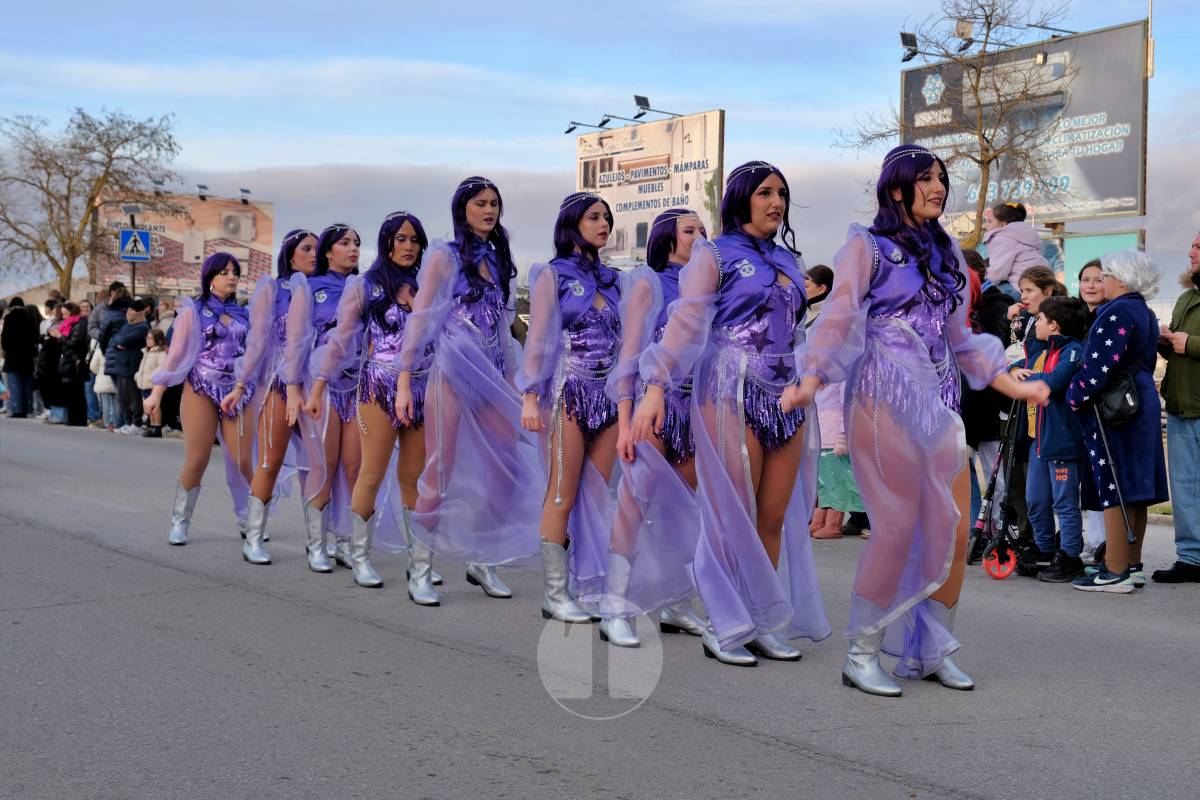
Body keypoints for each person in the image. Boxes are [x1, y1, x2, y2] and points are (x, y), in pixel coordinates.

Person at [788, 144, 1049, 696]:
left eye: (941, 179)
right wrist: (810, 381)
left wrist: (1011, 382)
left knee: (953, 527)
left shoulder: (947, 251)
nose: (937, 187)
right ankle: (861, 653)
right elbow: (835, 321)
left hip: (936, 400)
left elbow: (961, 339)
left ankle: (930, 649)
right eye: (926, 179)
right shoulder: (868, 246)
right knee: (898, 527)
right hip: (880, 397)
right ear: (898, 186)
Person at [633, 160, 831, 667]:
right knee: (731, 513)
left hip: (783, 393)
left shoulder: (790, 260)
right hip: (729, 388)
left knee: (772, 515)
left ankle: (761, 619)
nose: (776, 202)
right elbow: (685, 323)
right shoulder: (713, 253)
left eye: (782, 193)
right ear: (742, 198)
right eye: (765, 192)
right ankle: (724, 623)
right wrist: (656, 387)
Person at [394, 177, 543, 606]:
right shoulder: (444, 256)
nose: (489, 210)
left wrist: (513, 381)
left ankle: (484, 559)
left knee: (505, 470)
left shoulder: (499, 257)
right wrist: (405, 381)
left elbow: (503, 324)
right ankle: (420, 568)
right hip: (453, 374)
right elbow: (420, 320)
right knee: (439, 469)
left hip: (494, 376)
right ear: (464, 208)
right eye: (481, 203)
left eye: (495, 203)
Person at [315, 212, 457, 601]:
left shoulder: (432, 286)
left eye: (415, 239)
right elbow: (341, 340)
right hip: (377, 386)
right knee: (371, 473)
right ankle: (360, 557)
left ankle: (420, 565)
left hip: (423, 388)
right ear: (387, 242)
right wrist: (317, 386)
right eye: (401, 238)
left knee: (416, 477)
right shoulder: (365, 286)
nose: (409, 246)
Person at [603, 208, 709, 643]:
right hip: (654, 410)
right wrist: (626, 424)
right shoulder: (649, 282)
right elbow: (628, 357)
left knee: (684, 511)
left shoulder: (710, 287)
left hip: (696, 413)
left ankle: (676, 604)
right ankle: (615, 607)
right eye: (690, 231)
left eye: (704, 230)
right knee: (635, 506)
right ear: (668, 238)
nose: (700, 237)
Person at [520, 192, 626, 632]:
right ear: (572, 224)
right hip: (569, 393)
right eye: (594, 217)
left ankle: (590, 586)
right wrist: (530, 395)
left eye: (606, 217)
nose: (603, 224)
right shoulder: (552, 275)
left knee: (598, 495)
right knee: (562, 491)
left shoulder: (618, 280)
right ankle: (555, 593)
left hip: (610, 398)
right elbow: (540, 337)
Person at [1067, 250, 1169, 593]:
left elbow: (1097, 368)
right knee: (1135, 488)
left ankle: (1114, 569)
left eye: (1106, 275)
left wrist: (1075, 394)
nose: (1101, 281)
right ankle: (1132, 563)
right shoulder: (1143, 310)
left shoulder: (1116, 313)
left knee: (1114, 484)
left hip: (1117, 405)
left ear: (1121, 279)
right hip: (1140, 398)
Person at [143, 253, 257, 547]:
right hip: (200, 388)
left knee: (244, 459)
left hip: (236, 392)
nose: (231, 276)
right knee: (198, 458)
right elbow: (177, 352)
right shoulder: (194, 310)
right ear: (210, 277)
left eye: (235, 272)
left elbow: (257, 354)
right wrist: (158, 391)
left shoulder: (246, 314)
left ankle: (250, 521)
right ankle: (180, 521)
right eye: (224, 272)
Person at [233, 228, 321, 568]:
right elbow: (257, 342)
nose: (314, 254)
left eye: (318, 249)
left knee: (318, 466)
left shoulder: (331, 289)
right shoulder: (274, 289)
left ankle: (318, 544)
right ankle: (254, 537)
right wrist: (241, 385)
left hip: (319, 390)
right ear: (290, 253)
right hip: (281, 385)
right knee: (270, 459)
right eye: (306, 248)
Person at [299, 224, 377, 586]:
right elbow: (297, 341)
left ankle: (348, 542)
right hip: (323, 387)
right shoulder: (310, 288)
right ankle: (317, 544)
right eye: (345, 243)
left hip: (358, 386)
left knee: (355, 466)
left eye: (357, 243)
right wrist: (298, 389)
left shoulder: (366, 289)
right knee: (324, 465)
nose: (353, 249)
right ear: (327, 251)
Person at [1012, 296, 1089, 582]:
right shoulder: (1044, 350)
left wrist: (1022, 381)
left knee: (1064, 503)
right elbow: (1023, 365)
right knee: (1035, 499)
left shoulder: (1072, 351)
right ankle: (1044, 550)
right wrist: (1013, 371)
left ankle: (1070, 555)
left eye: (1041, 320)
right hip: (1039, 441)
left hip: (1063, 442)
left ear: (1053, 324)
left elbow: (1054, 382)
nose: (1036, 326)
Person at [1152, 233, 1200, 583]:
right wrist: (1167, 342)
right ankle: (1190, 558)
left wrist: (1191, 343)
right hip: (1182, 406)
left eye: (1198, 246)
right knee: (1183, 486)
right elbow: (1178, 351)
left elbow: (1191, 346)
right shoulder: (1186, 297)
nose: (1190, 252)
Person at [1076, 259, 1107, 559]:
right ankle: (1093, 538)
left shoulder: (1110, 316)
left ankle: (1104, 543)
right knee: (1088, 476)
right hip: (1079, 408)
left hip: (1103, 408)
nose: (1091, 286)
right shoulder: (1075, 316)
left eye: (1098, 280)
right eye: (1086, 279)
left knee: (1102, 475)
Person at [983, 202, 1049, 299]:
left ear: (1003, 224)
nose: (986, 225)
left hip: (1020, 288)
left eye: (990, 221)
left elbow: (998, 273)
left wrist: (980, 279)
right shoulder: (1025, 234)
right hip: (1042, 284)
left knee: (989, 298)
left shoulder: (1002, 238)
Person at [106, 299, 151, 434]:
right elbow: (114, 340)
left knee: (133, 396)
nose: (129, 313)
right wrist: (120, 343)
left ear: (139, 313)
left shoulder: (142, 326)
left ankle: (136, 423)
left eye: (133, 311)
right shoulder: (126, 326)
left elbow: (125, 340)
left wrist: (122, 342)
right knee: (123, 397)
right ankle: (128, 421)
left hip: (131, 365)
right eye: (129, 310)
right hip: (120, 364)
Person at [52, 301, 90, 426]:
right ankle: (72, 418)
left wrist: (60, 336)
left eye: (65, 314)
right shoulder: (68, 324)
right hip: (68, 360)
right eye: (62, 315)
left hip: (76, 361)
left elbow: (74, 342)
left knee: (76, 392)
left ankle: (78, 419)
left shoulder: (79, 323)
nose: (63, 317)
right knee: (70, 391)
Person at [2, 298, 38, 417]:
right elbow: (35, 338)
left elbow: (4, 341)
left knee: (14, 384)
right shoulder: (30, 319)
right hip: (27, 357)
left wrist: (8, 348)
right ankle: (27, 408)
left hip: (13, 357)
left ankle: (17, 409)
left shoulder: (8, 319)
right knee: (26, 384)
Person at [36, 299, 65, 422]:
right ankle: (52, 412)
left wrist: (49, 337)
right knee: (50, 387)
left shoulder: (62, 324)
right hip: (48, 359)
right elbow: (43, 338)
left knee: (55, 387)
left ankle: (57, 414)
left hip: (54, 359)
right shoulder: (52, 323)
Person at [136, 328, 168, 437]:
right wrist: (138, 376)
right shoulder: (147, 352)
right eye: (147, 338)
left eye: (150, 338)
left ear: (158, 340)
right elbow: (143, 367)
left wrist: (153, 377)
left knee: (155, 407)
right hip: (145, 384)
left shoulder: (160, 353)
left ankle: (157, 427)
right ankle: (152, 425)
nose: (148, 340)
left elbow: (162, 366)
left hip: (153, 384)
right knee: (148, 407)